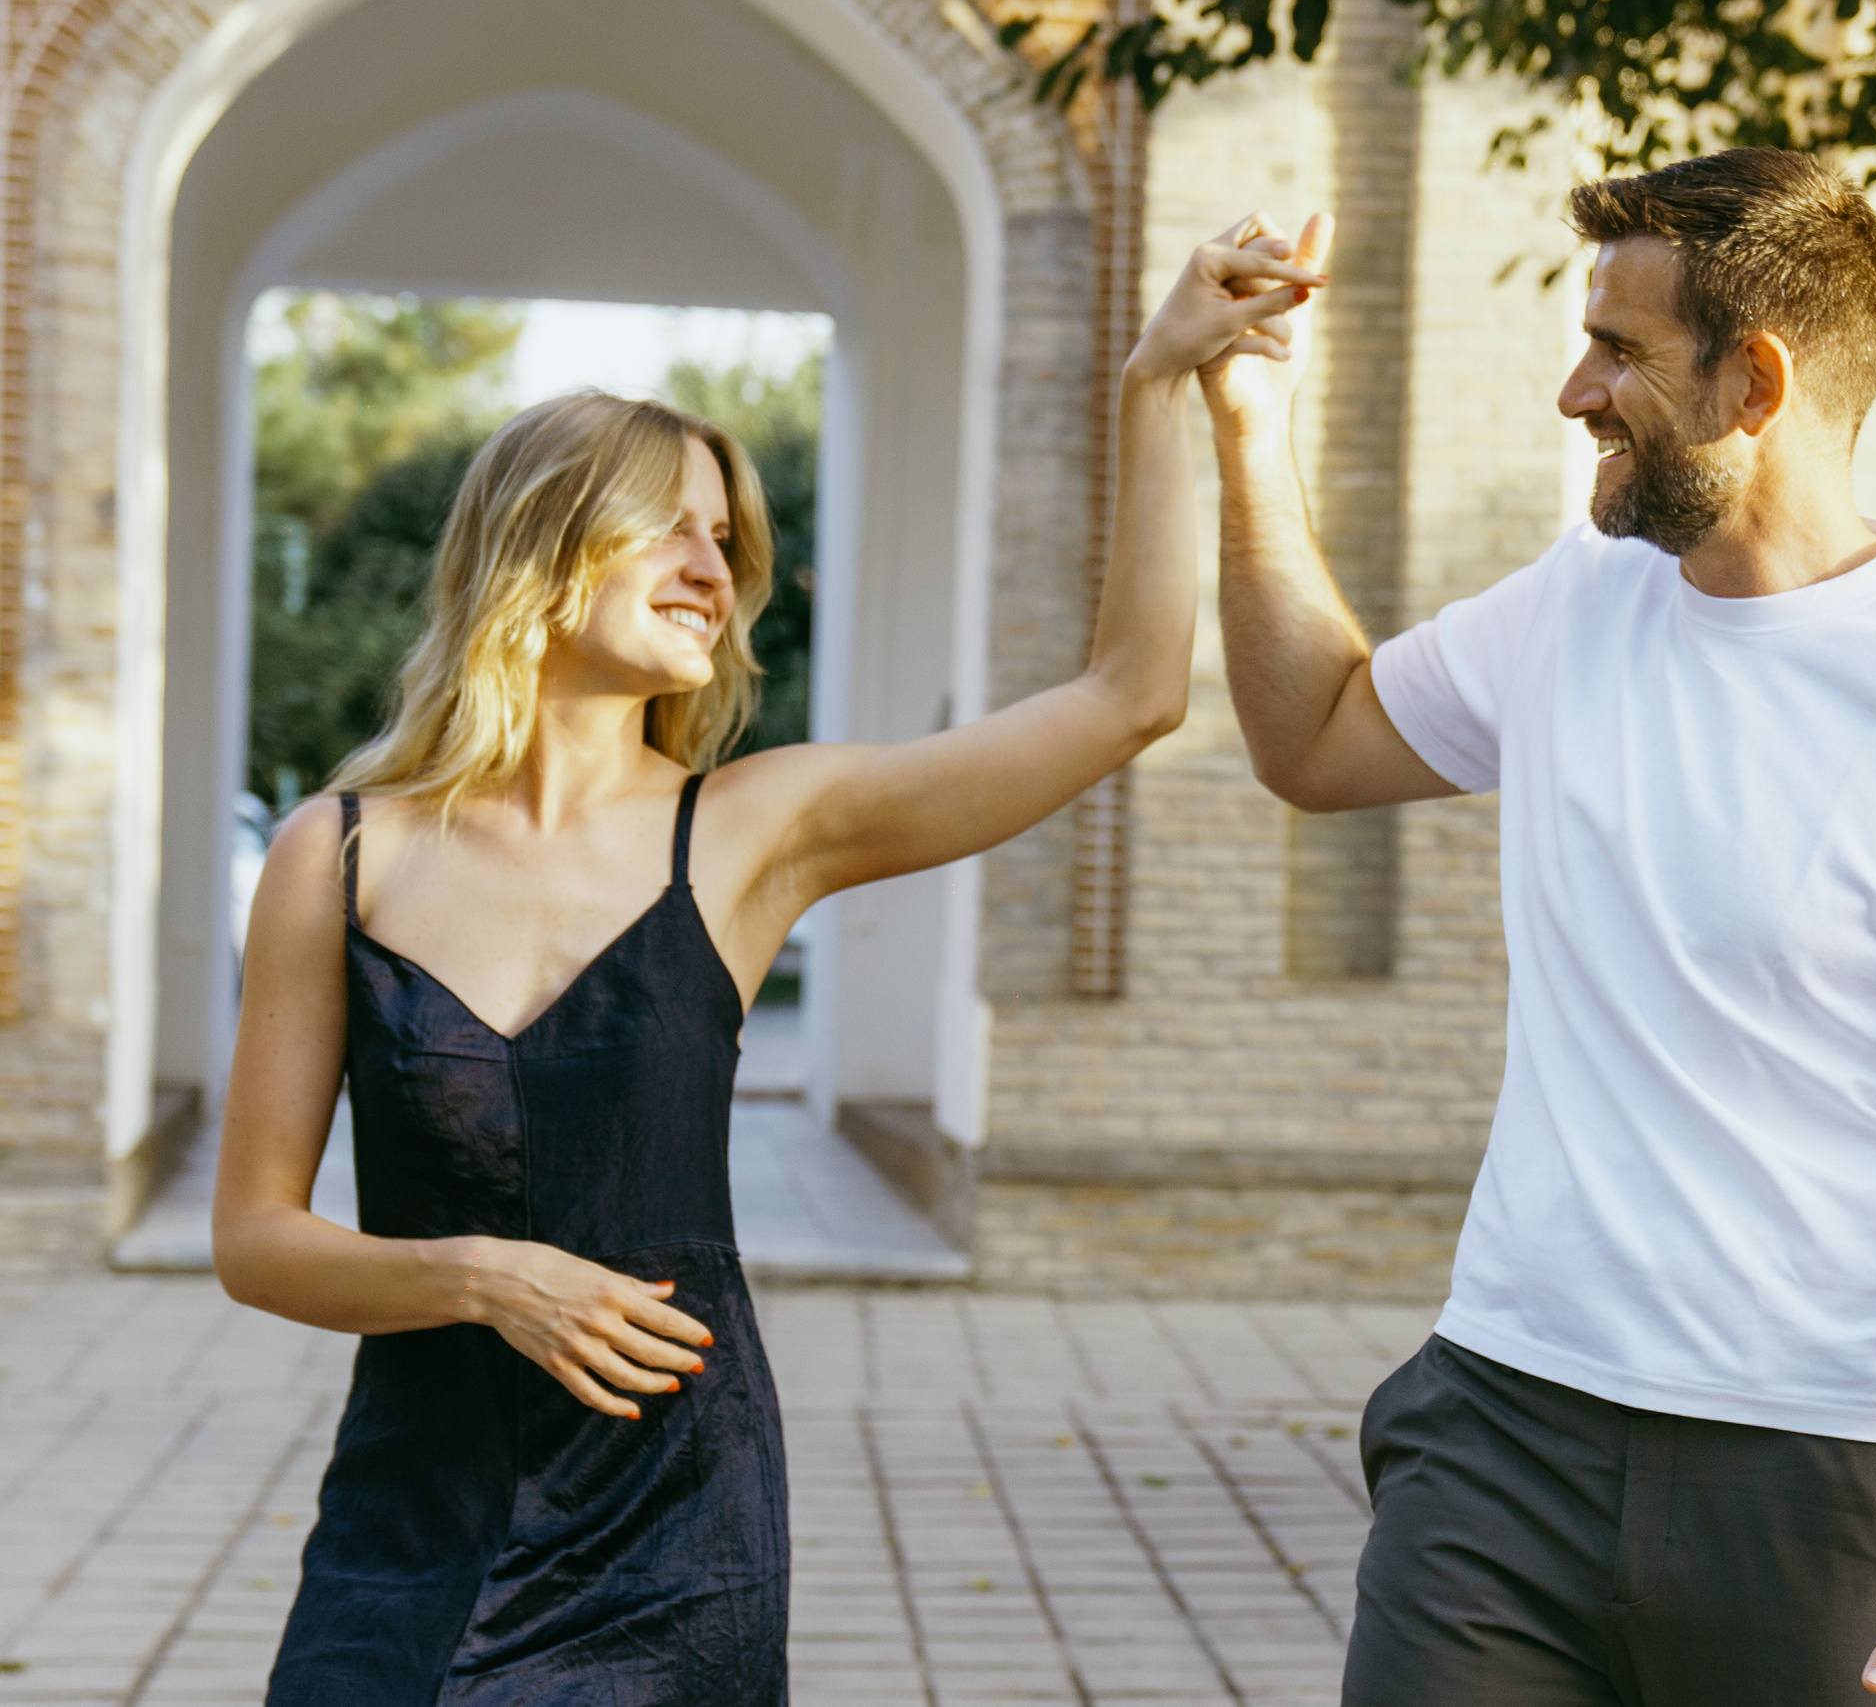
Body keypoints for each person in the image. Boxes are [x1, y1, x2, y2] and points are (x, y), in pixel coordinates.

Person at [212, 221, 1325, 1704]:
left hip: (666, 1534)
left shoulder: (751, 831)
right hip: (412, 1522)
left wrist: (1153, 383)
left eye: (728, 541)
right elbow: (257, 1241)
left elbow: (1130, 698)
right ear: (539, 544)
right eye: (671, 527)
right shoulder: (339, 855)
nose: (716, 568)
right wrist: (484, 1278)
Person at [1210, 154, 1876, 1705]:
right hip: (1503, 1431)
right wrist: (1249, 422)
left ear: (1756, 382)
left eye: (1620, 352)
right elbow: (1312, 737)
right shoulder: (1572, 606)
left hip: (1825, 1474)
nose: (1576, 392)